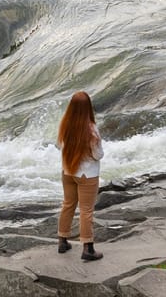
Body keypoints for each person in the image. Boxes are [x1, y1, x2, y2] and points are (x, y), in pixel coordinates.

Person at [56, 90, 104, 261]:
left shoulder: (65, 125)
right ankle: (88, 249)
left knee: (68, 204)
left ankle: (62, 240)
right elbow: (98, 155)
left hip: (67, 171)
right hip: (87, 175)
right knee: (86, 211)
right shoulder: (91, 130)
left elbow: (60, 146)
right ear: (88, 108)